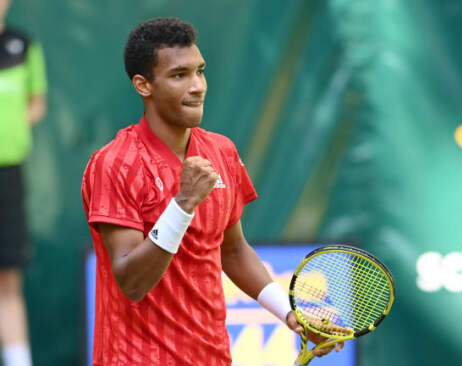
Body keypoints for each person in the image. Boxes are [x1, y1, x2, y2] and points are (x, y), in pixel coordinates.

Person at [81, 17, 342, 365]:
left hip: (212, 357)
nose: (198, 86)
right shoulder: (114, 164)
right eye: (179, 75)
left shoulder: (222, 152)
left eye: (200, 71)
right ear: (144, 85)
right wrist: (183, 203)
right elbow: (131, 281)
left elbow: (232, 251)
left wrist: (291, 315)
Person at [0, 0, 47, 365]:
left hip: (9, 178)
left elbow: (36, 103)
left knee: (8, 276)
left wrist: (12, 130)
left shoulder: (23, 46)